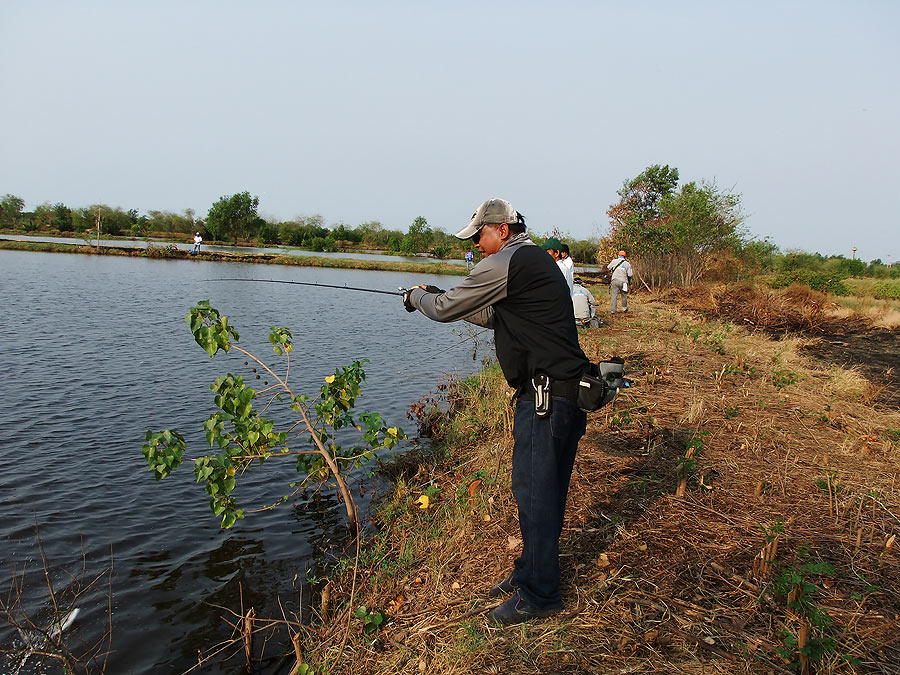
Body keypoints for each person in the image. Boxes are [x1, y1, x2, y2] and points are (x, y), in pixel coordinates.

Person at [403, 198, 589, 625]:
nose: (477, 247)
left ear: (501, 230)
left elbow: (448, 308)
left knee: (539, 496)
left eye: (480, 237)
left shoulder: (508, 259)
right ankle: (530, 572)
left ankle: (541, 594)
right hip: (552, 397)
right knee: (531, 491)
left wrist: (418, 297)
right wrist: (439, 296)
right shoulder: (532, 261)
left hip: (548, 398)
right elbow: (493, 316)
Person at [607, 250, 633, 314]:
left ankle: (613, 311)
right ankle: (624, 309)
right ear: (625, 256)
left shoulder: (614, 261)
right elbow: (630, 275)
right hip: (624, 282)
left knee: (614, 296)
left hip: (614, 280)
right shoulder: (627, 264)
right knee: (624, 295)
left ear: (618, 255)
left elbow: (608, 267)